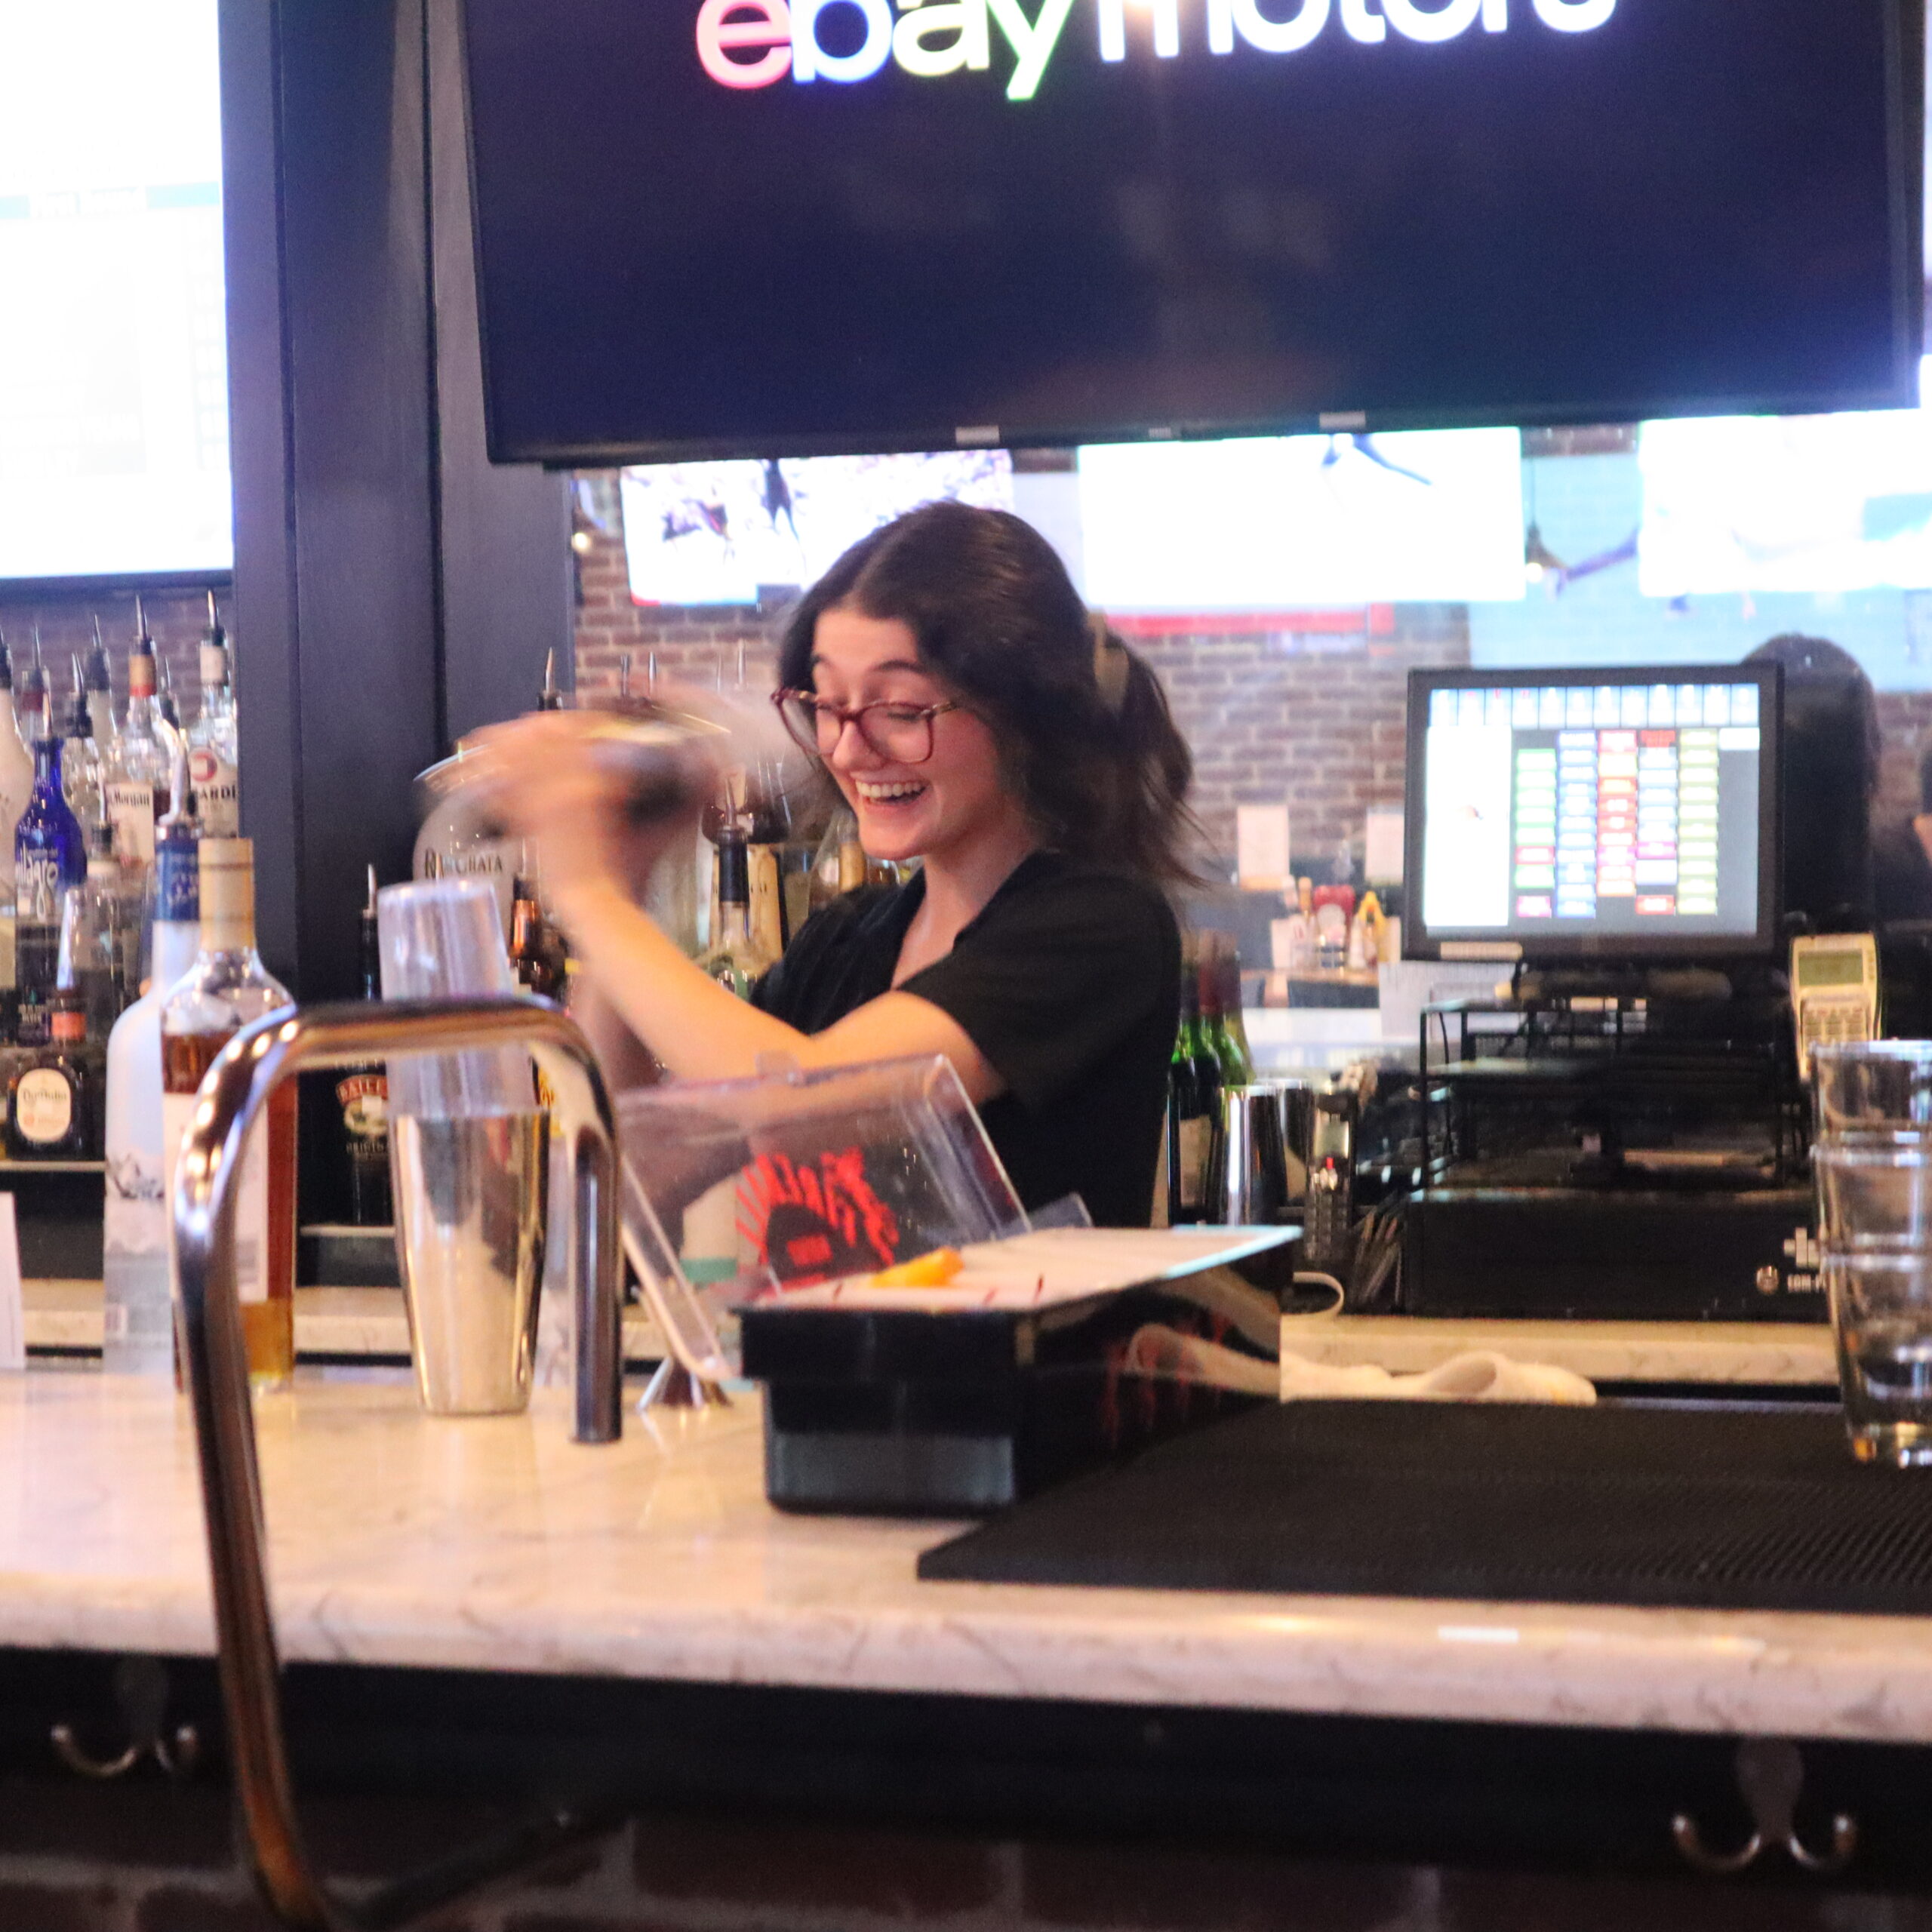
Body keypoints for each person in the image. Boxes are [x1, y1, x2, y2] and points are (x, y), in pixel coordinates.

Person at [483, 500, 1194, 1228]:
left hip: (1036, 1313)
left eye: (901, 710)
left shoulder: (1099, 926)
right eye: (827, 705)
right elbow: (633, 1178)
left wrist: (589, 893)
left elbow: (794, 1110)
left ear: (1027, 714)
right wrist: (627, 879)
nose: (850, 750)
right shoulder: (845, 943)